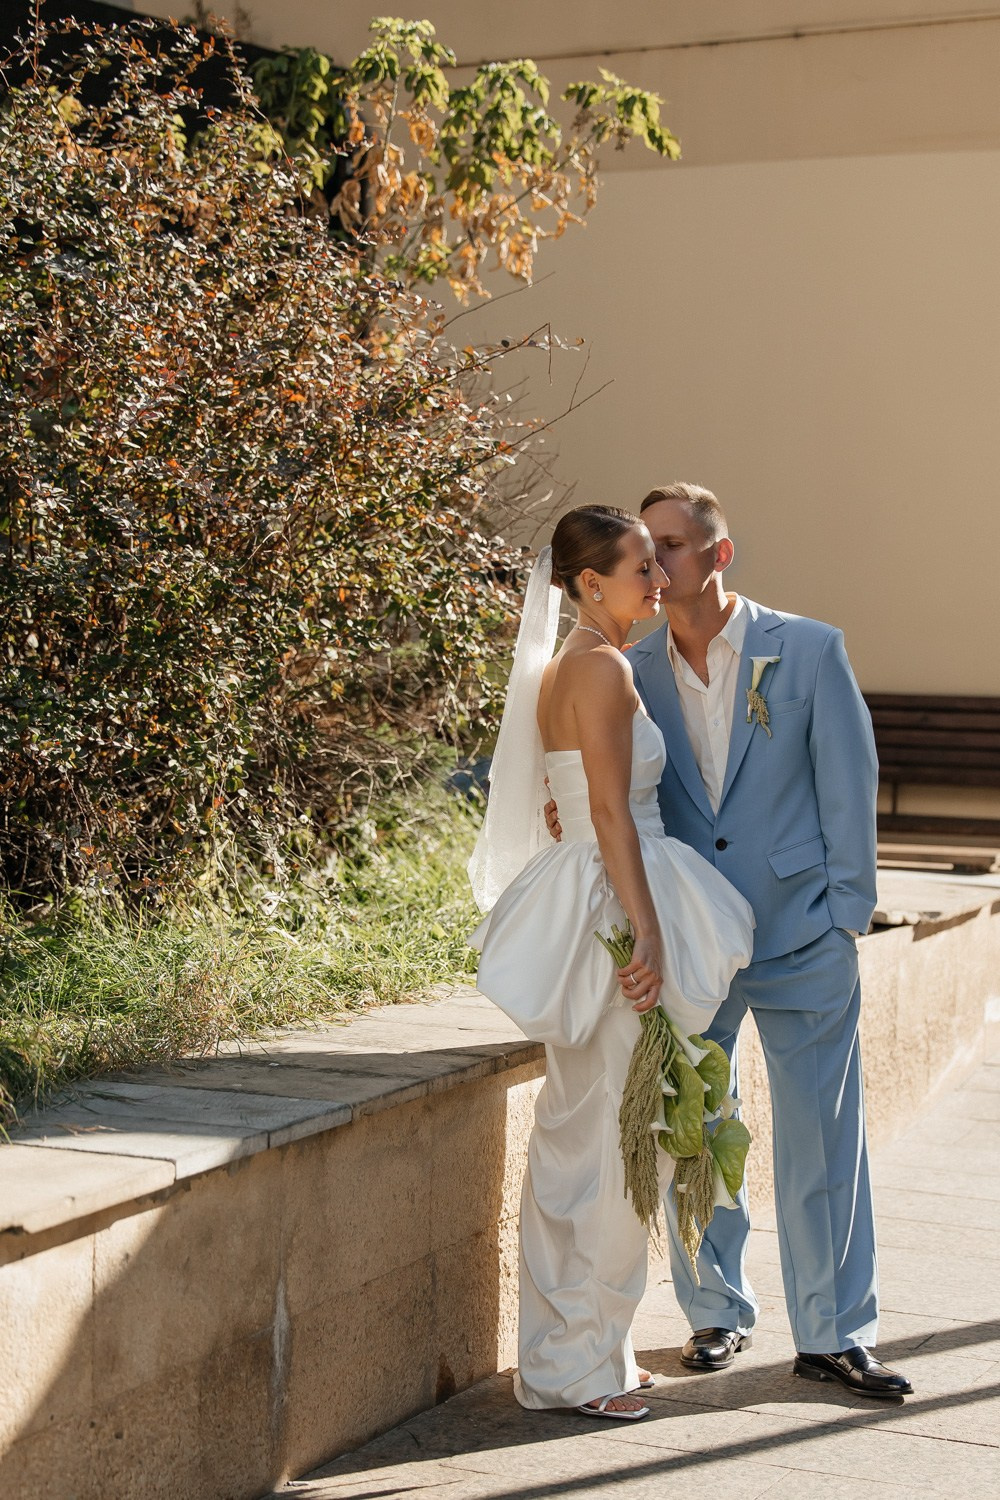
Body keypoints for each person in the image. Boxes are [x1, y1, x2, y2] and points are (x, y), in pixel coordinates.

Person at [597, 481, 911, 1399]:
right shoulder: (635, 670)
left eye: (672, 547)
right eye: (645, 552)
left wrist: (845, 912)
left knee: (825, 1137)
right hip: (695, 940)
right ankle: (713, 1312)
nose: (656, 565)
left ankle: (837, 1332)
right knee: (695, 1131)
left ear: (719, 553)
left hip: (803, 932)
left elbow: (850, 781)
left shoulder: (806, 650)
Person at [468, 505, 754, 1421]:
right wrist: (651, 933)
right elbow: (610, 816)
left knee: (580, 1138)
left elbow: (580, 802)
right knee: (617, 1142)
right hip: (615, 912)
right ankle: (581, 1369)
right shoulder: (600, 670)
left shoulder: (576, 666)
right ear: (591, 584)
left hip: (594, 894)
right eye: (641, 568)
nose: (658, 581)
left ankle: (574, 1357)